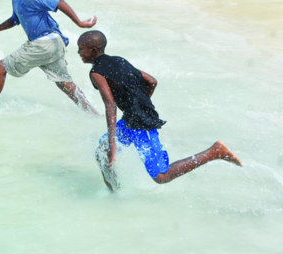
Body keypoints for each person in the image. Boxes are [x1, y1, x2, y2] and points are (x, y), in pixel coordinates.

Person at [77, 30, 242, 191]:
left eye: (81, 48)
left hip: (141, 124)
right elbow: (152, 81)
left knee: (162, 176)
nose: (79, 52)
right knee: (102, 151)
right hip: (131, 119)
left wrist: (113, 142)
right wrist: (140, 103)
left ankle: (215, 152)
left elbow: (110, 105)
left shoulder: (96, 73)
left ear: (94, 50)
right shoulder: (119, 60)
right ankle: (114, 193)